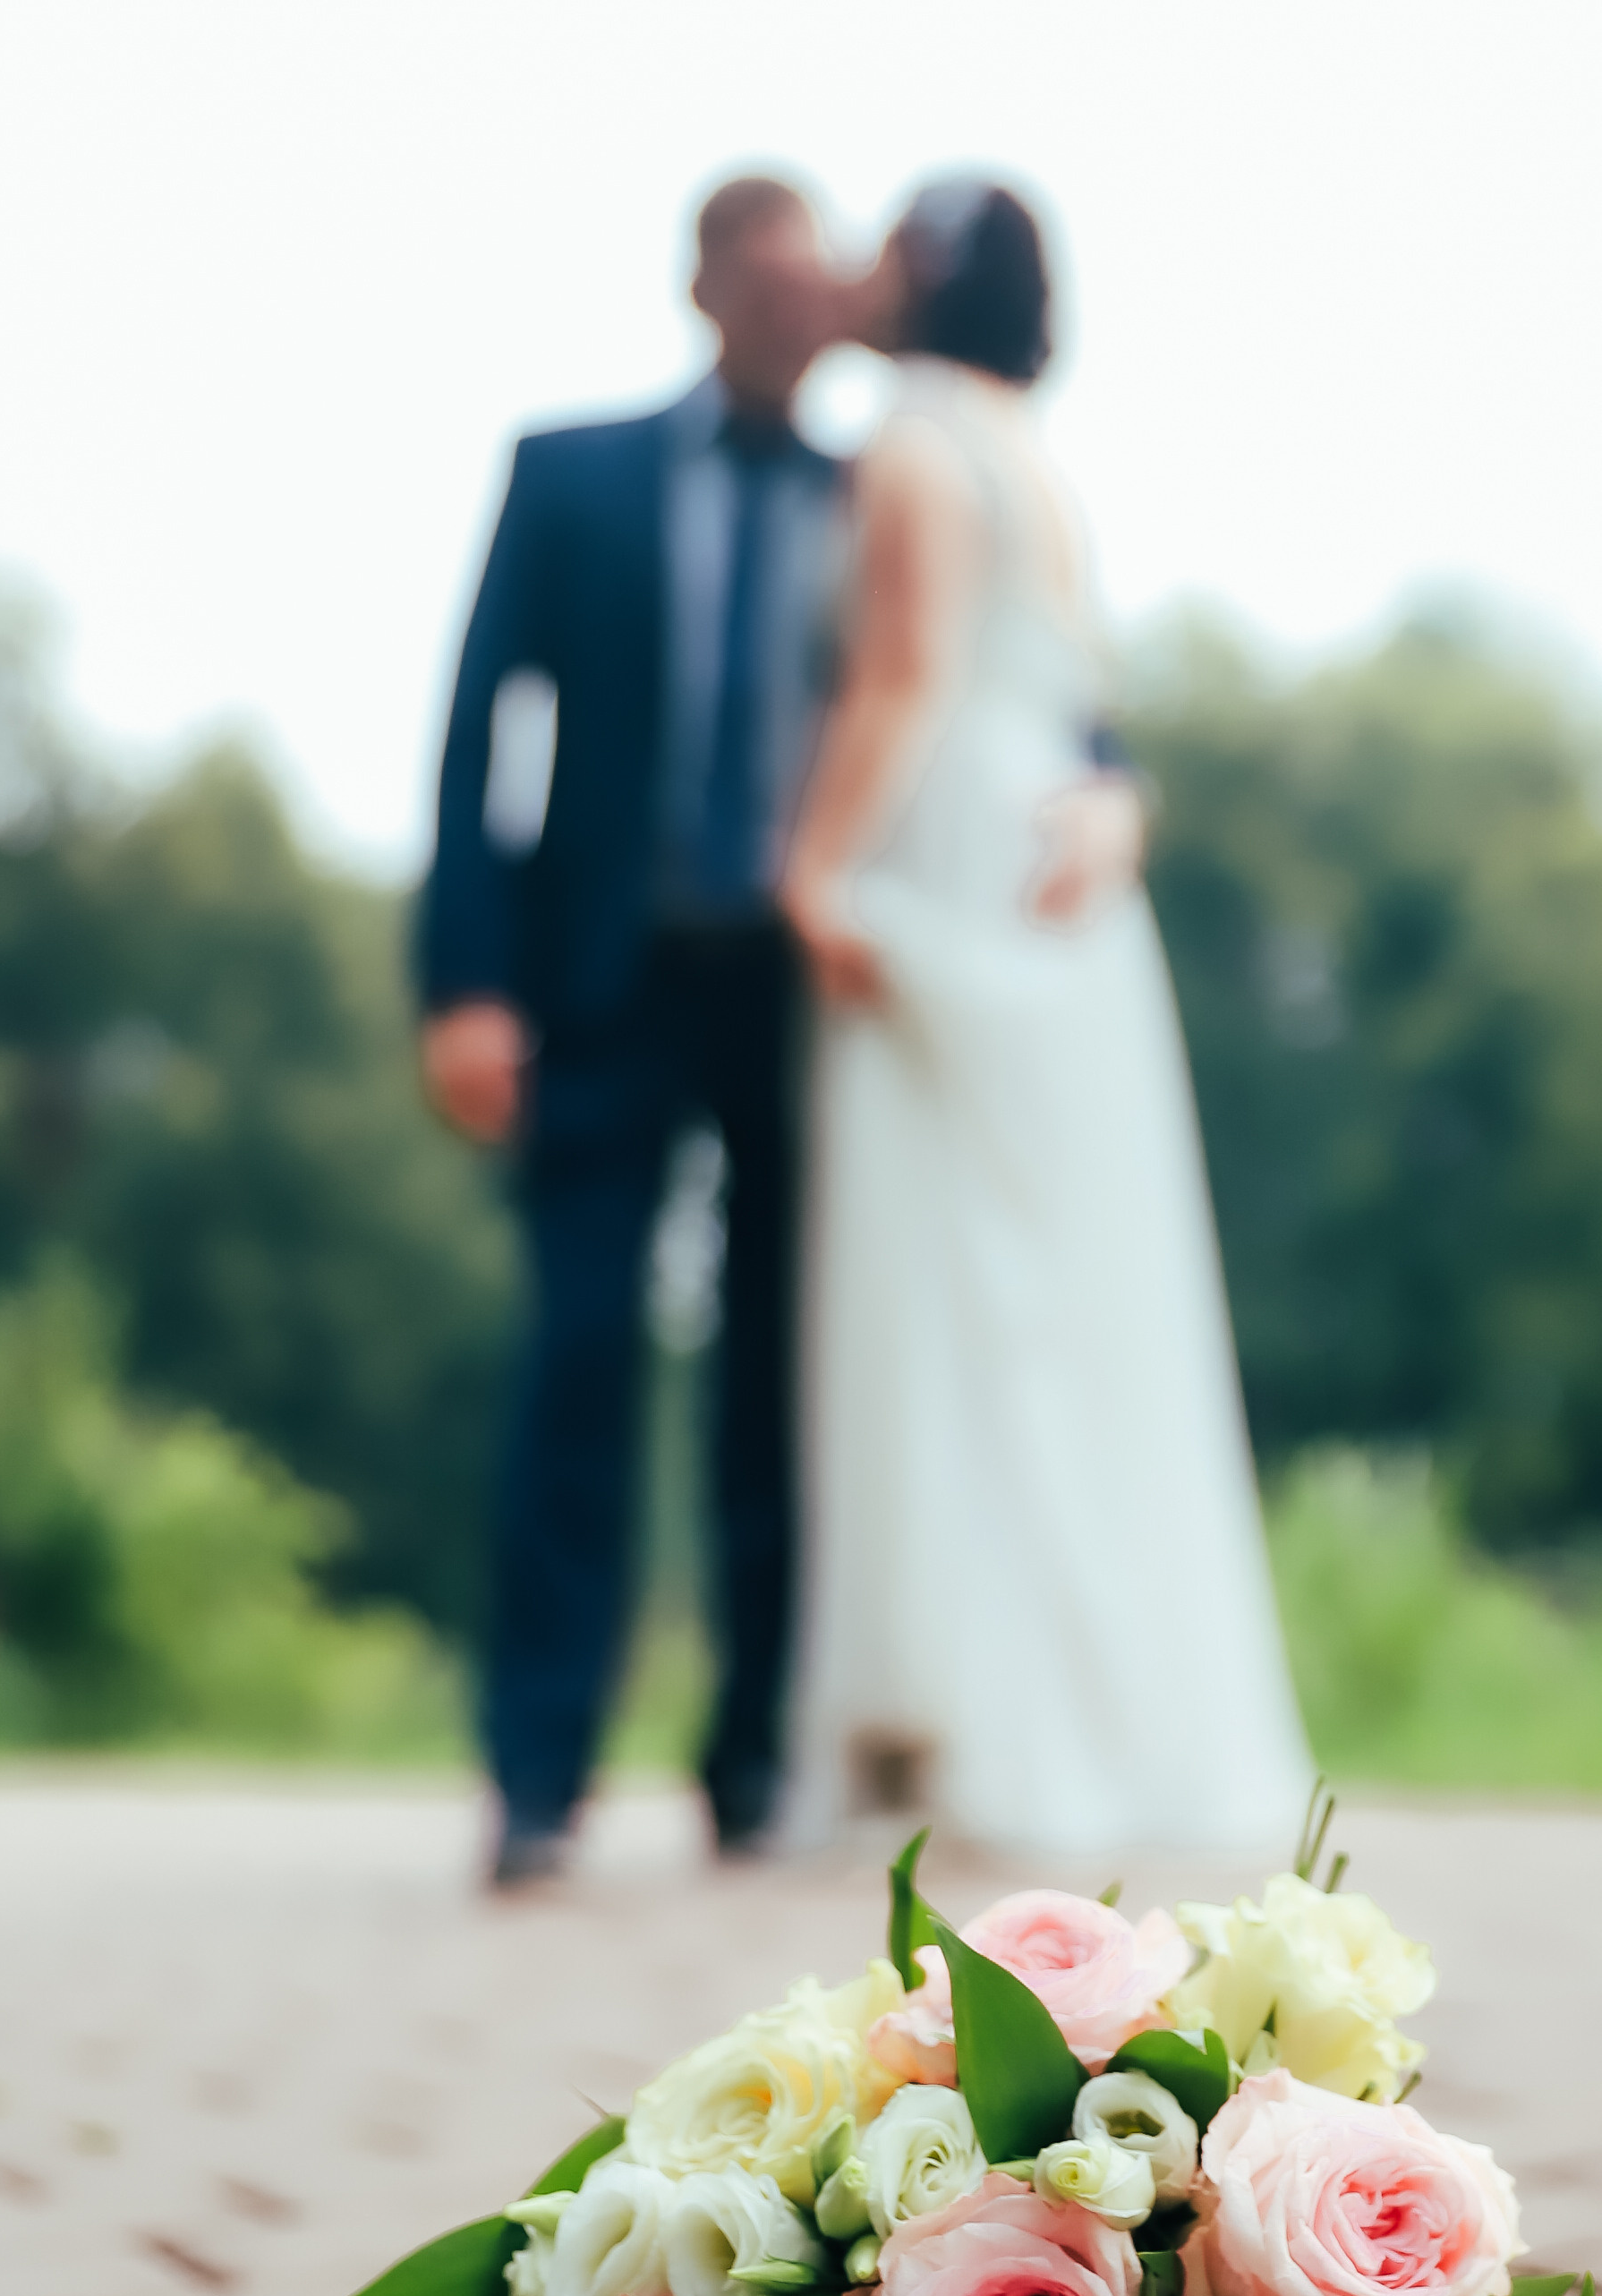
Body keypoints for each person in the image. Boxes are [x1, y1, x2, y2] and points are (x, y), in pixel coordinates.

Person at [419, 176, 1141, 1884]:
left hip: (800, 991)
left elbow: (1011, 676)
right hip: (600, 982)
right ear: (695, 283)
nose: (787, 295)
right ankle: (537, 1773)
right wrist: (465, 981)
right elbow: (476, 732)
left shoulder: (877, 479)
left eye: (810, 268)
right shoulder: (568, 472)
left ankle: (749, 1761)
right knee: (579, 1360)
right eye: (753, 266)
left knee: (779, 1379)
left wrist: (1114, 793)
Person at [778, 180, 1313, 1860]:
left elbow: (903, 672)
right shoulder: (1038, 462)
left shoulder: (915, 446)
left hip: (944, 853)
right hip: (1059, 873)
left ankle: (952, 1717)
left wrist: (813, 866)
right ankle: (1054, 1709)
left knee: (939, 1289)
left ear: (925, 277)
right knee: (1067, 1306)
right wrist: (1119, 808)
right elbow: (1080, 701)